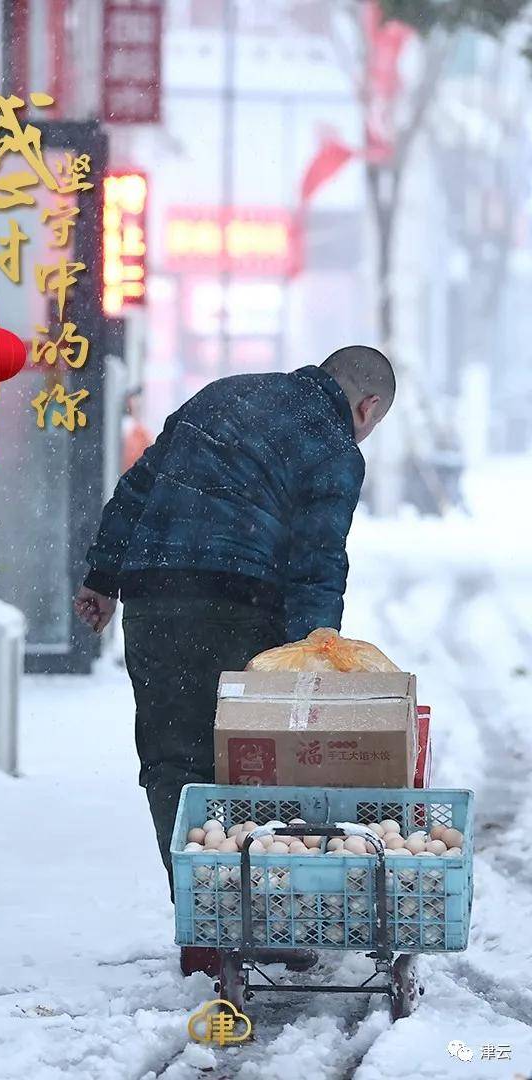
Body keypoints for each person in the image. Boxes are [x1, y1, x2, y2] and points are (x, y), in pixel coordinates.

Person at [74, 345, 395, 973]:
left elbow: (138, 486)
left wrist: (102, 577)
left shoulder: (224, 394)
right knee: (261, 762)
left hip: (155, 600)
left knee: (174, 763)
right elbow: (317, 558)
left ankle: (204, 926)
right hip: (242, 610)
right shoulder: (333, 446)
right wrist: (315, 651)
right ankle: (272, 920)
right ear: (368, 406)